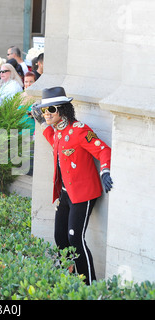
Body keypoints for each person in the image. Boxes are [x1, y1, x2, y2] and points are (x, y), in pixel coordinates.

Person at [31, 86, 113, 285]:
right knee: (60, 238)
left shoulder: (79, 130)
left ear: (63, 109)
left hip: (83, 194)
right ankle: (66, 280)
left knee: (75, 239)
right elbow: (53, 138)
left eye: (51, 110)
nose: (46, 114)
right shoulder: (58, 132)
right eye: (44, 110)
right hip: (65, 194)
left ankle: (89, 286)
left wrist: (105, 171)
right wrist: (42, 123)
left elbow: (103, 150)